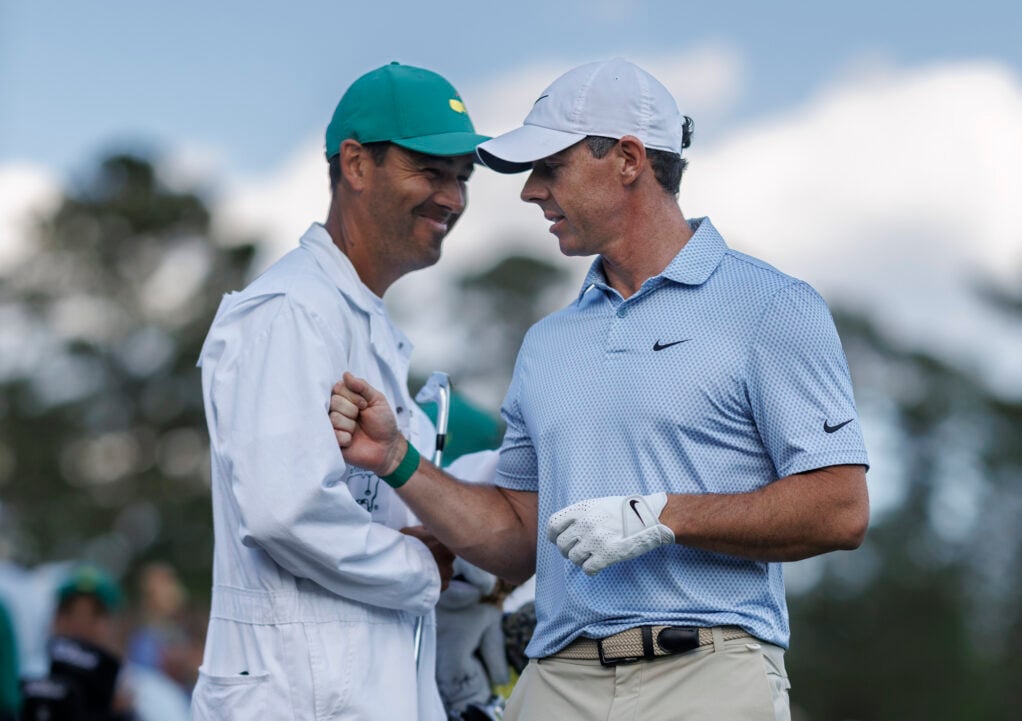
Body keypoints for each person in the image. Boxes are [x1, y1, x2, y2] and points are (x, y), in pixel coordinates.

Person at [330, 58, 870, 721]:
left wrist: (663, 516)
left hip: (707, 672)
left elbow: (840, 507)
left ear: (628, 160)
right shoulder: (547, 343)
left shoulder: (771, 306)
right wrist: (396, 459)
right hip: (557, 679)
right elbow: (517, 541)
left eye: (550, 168)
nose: (531, 192)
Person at [191, 62, 489, 721]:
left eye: (462, 178)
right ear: (355, 163)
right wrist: (420, 566)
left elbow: (380, 509)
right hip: (294, 699)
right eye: (431, 171)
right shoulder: (291, 311)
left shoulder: (356, 321)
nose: (453, 198)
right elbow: (285, 510)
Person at [20, 565, 134, 721]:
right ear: (55, 619)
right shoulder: (27, 673)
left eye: (95, 614)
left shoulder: (136, 689)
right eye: (70, 611)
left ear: (114, 625)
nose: (81, 623)